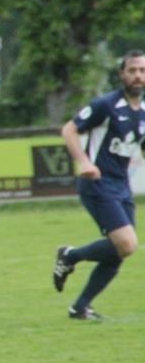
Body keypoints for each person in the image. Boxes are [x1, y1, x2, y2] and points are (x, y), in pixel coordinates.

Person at [53, 50, 145, 320]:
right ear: (121, 74)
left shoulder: (143, 111)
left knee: (120, 251)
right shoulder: (105, 104)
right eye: (132, 70)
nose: (138, 76)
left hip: (120, 186)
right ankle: (70, 256)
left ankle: (80, 306)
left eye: (142, 70)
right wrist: (83, 161)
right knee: (127, 244)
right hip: (97, 183)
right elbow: (68, 130)